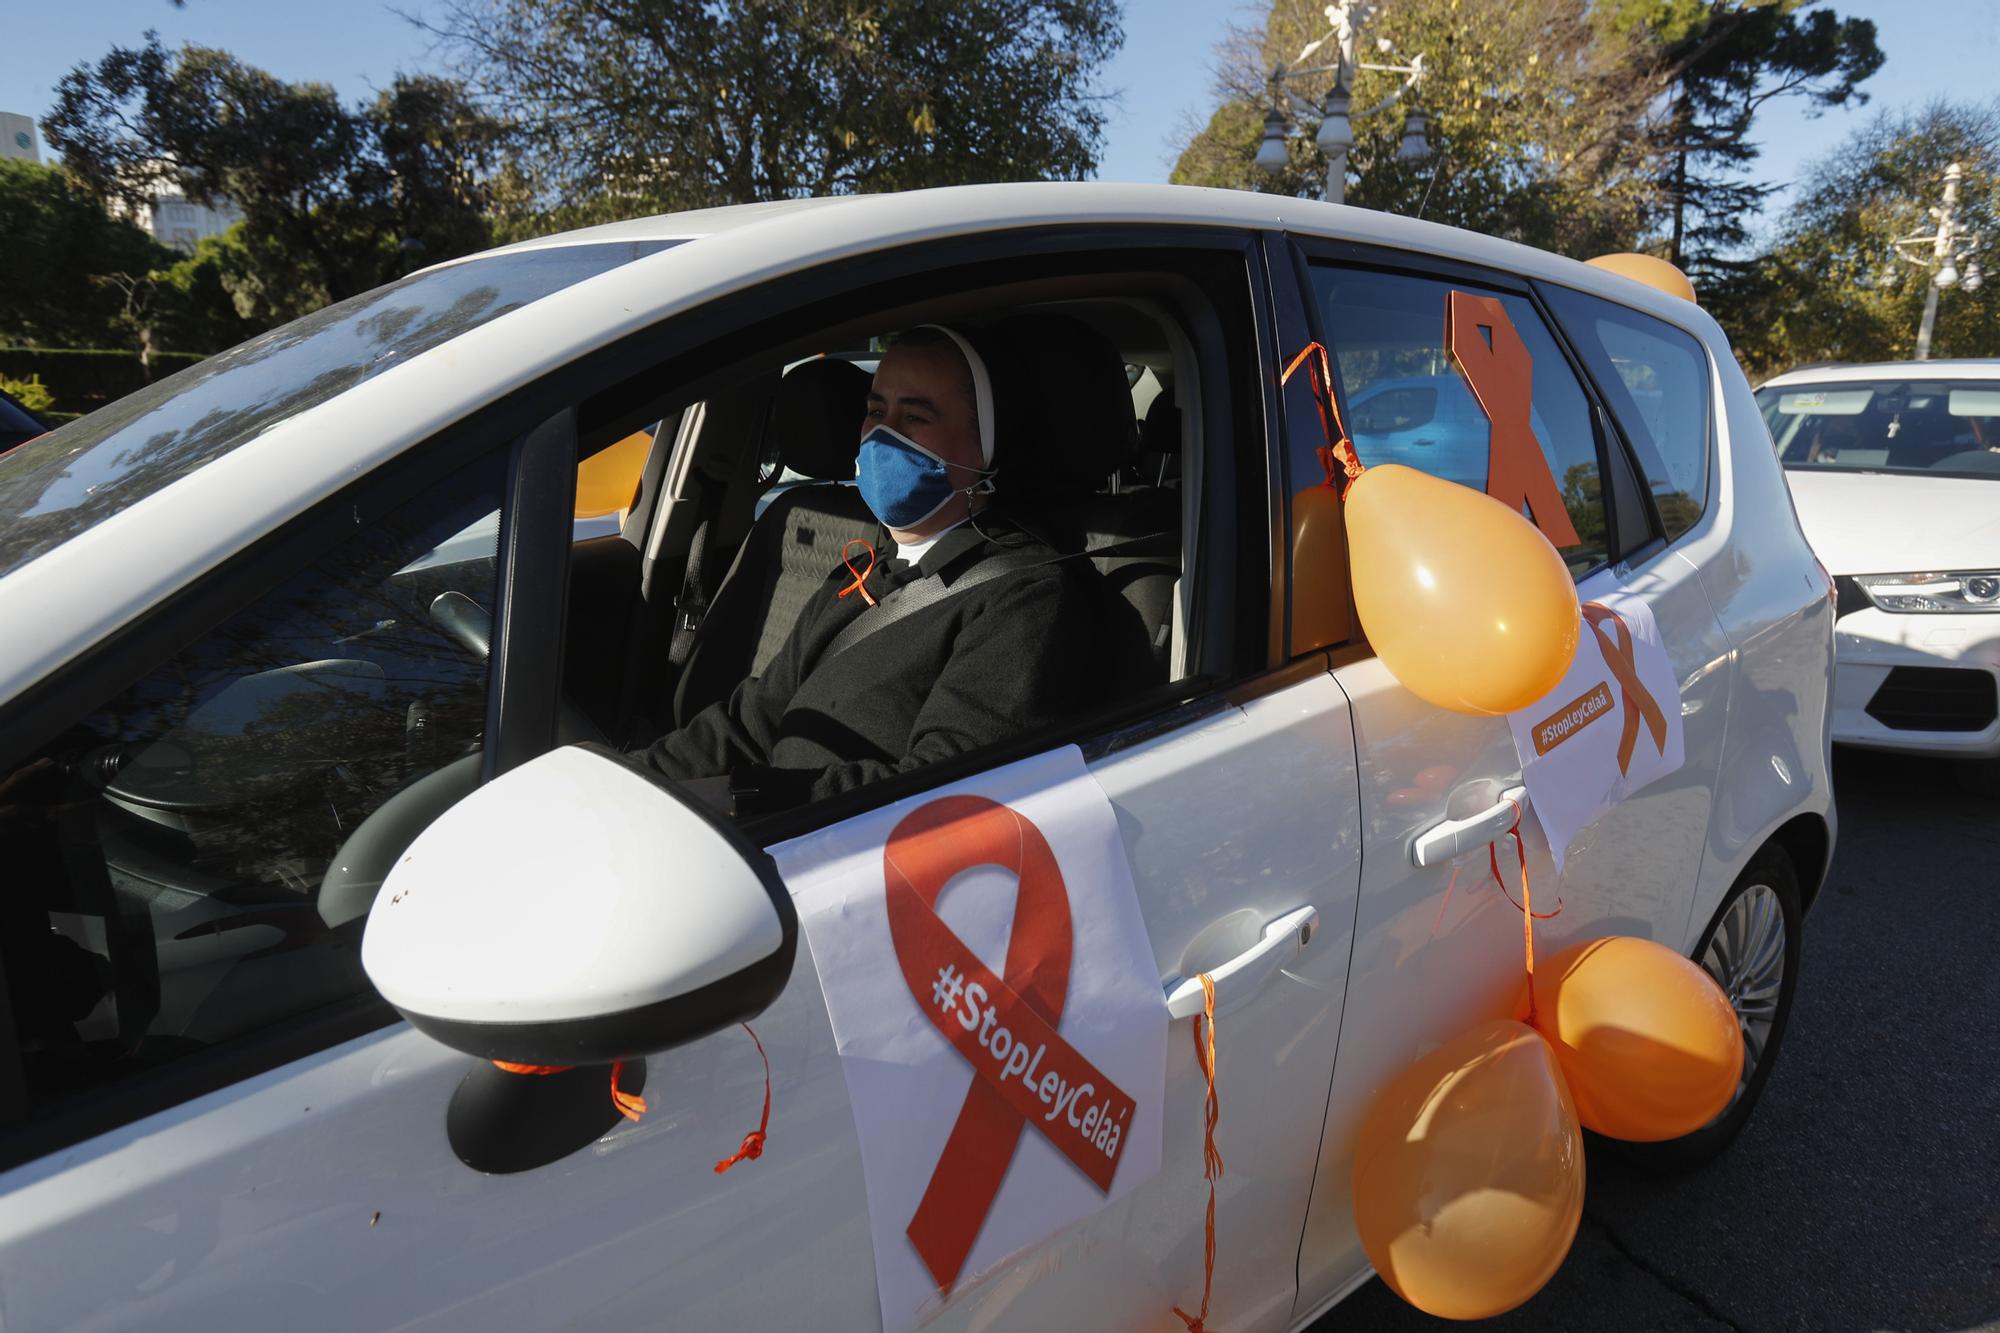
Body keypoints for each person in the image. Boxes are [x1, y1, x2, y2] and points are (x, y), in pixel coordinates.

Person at [633, 325, 1101, 812]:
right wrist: (634, 782)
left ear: (984, 445)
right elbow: (749, 721)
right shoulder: (859, 571)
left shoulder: (1024, 597)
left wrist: (742, 801)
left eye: (915, 416)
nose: (882, 434)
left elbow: (945, 788)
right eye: (876, 411)